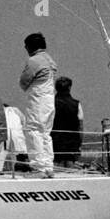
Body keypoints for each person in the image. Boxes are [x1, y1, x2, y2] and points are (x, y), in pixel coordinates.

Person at [18, 33, 58, 177]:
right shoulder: (50, 59)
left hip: (38, 98)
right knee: (46, 132)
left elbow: (23, 81)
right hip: (50, 98)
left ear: (30, 46)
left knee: (33, 130)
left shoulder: (34, 60)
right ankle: (48, 166)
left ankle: (38, 168)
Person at [53, 76, 84, 166]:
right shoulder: (76, 104)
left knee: (55, 165)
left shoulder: (51, 103)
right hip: (72, 142)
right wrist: (80, 143)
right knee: (70, 166)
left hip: (55, 141)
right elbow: (81, 126)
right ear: (69, 88)